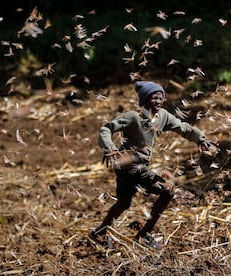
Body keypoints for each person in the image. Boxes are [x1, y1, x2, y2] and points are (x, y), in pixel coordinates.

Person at [90, 81, 216, 249]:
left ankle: (99, 232)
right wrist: (110, 149)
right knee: (167, 191)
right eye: (154, 98)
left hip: (135, 166)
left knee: (124, 203)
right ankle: (143, 235)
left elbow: (183, 128)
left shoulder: (163, 116)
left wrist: (201, 139)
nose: (158, 101)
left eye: (161, 98)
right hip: (128, 165)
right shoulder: (133, 117)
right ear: (144, 100)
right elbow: (106, 129)